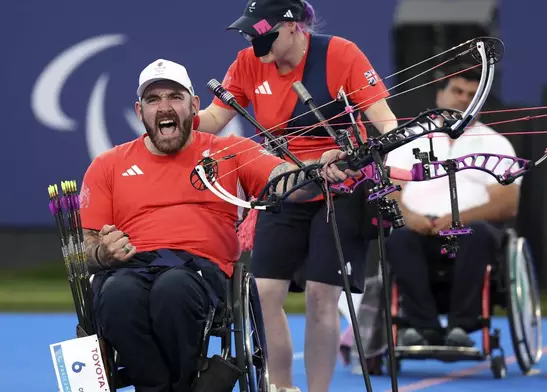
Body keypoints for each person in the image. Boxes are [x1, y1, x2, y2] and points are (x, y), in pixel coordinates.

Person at [79, 58, 357, 392]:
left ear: (194, 106)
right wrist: (101, 251)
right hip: (130, 268)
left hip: (197, 270)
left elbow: (282, 179)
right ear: (140, 111)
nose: (164, 107)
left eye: (174, 97)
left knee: (173, 292)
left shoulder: (229, 150)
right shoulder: (107, 165)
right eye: (153, 100)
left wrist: (317, 170)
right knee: (116, 297)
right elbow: (84, 248)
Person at [193, 1, 398, 391]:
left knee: (322, 297)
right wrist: (179, 111)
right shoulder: (248, 63)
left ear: (292, 26)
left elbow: (385, 122)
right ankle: (282, 387)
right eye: (250, 32)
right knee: (265, 294)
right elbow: (214, 119)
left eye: (263, 32)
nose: (255, 40)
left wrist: (360, 158)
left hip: (343, 188)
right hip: (285, 184)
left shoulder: (340, 54)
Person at [383, 63, 522, 347]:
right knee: (397, 237)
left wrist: (459, 218)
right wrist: (408, 217)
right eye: (457, 91)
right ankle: (424, 327)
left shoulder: (496, 144)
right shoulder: (410, 139)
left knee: (478, 233)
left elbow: (507, 203)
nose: (463, 99)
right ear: (439, 96)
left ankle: (462, 326)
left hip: (470, 232)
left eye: (472, 94)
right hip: (418, 229)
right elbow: (389, 189)